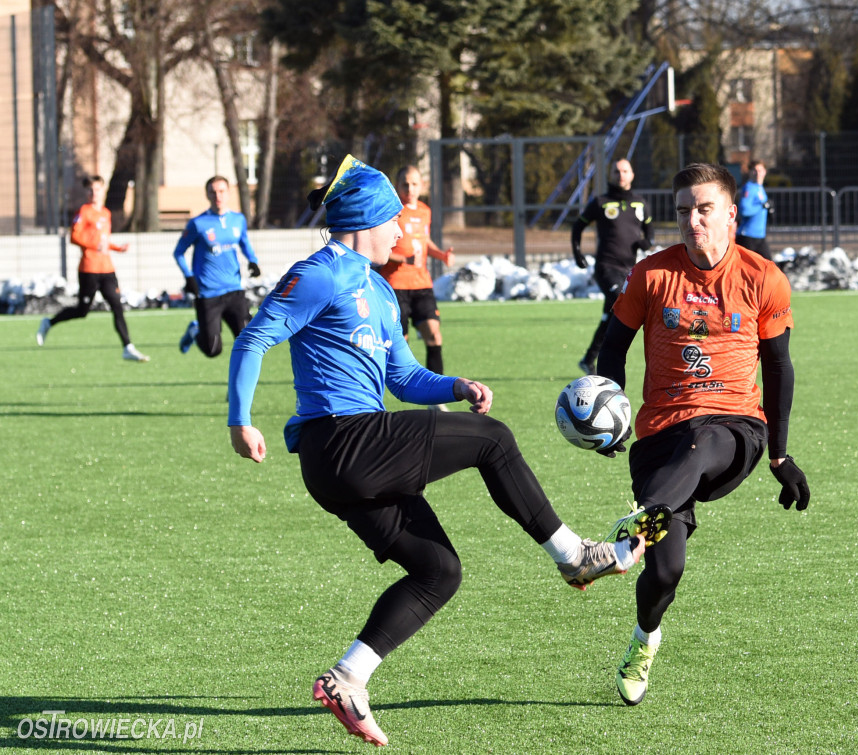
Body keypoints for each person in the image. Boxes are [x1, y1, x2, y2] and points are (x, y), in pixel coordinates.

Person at [226, 155, 667, 748]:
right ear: (367, 220)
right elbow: (254, 338)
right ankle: (574, 555)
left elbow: (403, 377)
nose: (402, 231)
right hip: (341, 442)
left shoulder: (380, 290)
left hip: (353, 458)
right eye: (395, 221)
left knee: (439, 571)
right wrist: (240, 421)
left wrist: (455, 386)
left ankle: (349, 677)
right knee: (494, 440)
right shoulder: (323, 272)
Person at [596, 162, 811, 707]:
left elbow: (780, 368)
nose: (693, 220)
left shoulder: (764, 277)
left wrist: (781, 456)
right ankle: (645, 638)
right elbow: (612, 348)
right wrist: (613, 411)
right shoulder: (650, 275)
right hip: (661, 437)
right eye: (684, 211)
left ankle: (632, 533)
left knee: (706, 439)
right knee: (667, 572)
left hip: (736, 428)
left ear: (731, 214)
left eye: (704, 208)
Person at [35, 175, 149, 361]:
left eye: (97, 189)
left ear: (103, 190)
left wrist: (118, 248)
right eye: (90, 189)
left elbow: (104, 241)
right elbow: (74, 237)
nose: (94, 193)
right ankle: (49, 322)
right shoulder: (84, 211)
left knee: (117, 306)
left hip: (107, 269)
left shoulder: (106, 213)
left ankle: (128, 347)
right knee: (82, 311)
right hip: (89, 269)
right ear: (86, 192)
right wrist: (93, 245)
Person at [572, 158, 653, 375]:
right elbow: (578, 226)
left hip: (629, 270)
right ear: (611, 175)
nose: (621, 175)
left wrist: (647, 242)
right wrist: (577, 253)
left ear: (632, 174)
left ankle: (589, 359)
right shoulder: (601, 202)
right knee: (621, 302)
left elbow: (649, 229)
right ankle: (612, 359)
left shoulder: (640, 203)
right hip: (606, 267)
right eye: (617, 171)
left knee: (611, 314)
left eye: (625, 170)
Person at [375, 165, 453, 377]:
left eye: (414, 184)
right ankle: (389, 384)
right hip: (395, 286)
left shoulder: (424, 211)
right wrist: (403, 259)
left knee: (434, 335)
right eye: (405, 184)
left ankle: (437, 394)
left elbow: (424, 241)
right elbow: (377, 245)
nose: (410, 188)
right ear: (397, 186)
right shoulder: (390, 210)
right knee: (400, 344)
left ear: (422, 186)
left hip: (422, 284)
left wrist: (441, 255)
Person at [173, 176, 261, 357]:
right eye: (213, 192)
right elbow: (178, 252)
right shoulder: (198, 223)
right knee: (213, 350)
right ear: (207, 194)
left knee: (249, 343)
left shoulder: (238, 220)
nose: (217, 195)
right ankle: (194, 330)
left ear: (228, 193)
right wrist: (189, 277)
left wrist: (253, 260)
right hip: (208, 293)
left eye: (221, 191)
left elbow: (244, 243)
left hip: (234, 290)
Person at [735, 160, 773, 260]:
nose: (757, 173)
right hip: (747, 236)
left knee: (768, 268)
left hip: (760, 236)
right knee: (744, 269)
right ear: (750, 172)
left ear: (765, 172)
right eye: (755, 170)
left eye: (760, 170)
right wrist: (762, 206)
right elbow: (744, 210)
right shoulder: (749, 188)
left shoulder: (760, 188)